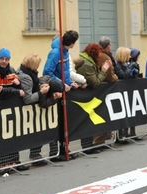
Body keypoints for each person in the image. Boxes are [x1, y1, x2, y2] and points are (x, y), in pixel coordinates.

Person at [0, 48, 29, 174]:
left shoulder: (11, 70)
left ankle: (14, 161)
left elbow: (21, 90)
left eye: (7, 59)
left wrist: (17, 85)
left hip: (10, 108)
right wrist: (16, 91)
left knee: (13, 135)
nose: (4, 62)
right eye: (2, 59)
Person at [43, 30, 79, 161]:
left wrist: (70, 83)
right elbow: (47, 72)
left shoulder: (65, 51)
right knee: (58, 123)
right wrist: (63, 84)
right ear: (73, 43)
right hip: (57, 92)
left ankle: (64, 148)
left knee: (65, 123)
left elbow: (65, 71)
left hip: (65, 89)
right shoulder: (55, 53)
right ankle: (55, 152)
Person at [74, 43, 115, 153]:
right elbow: (95, 82)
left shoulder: (88, 61)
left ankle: (91, 146)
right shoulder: (87, 65)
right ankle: (87, 147)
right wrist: (104, 70)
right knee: (86, 121)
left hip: (88, 95)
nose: (100, 55)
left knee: (91, 120)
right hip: (86, 96)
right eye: (99, 53)